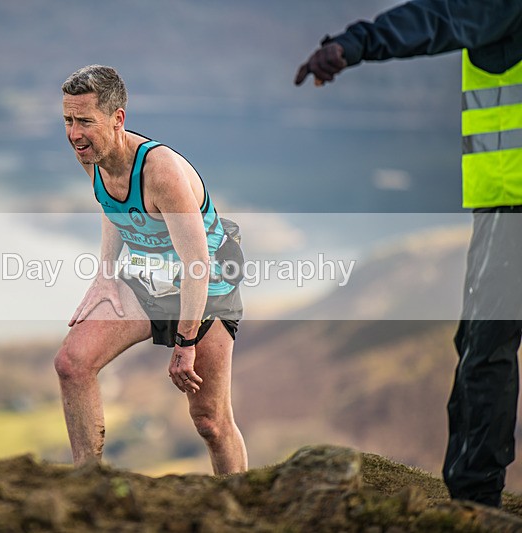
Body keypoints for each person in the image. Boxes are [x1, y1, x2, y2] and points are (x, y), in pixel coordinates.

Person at [295, 0, 522, 508]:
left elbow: (435, 19)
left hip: (513, 205)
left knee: (487, 350)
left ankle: (475, 500)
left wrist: (351, 45)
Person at [54, 65, 247, 474]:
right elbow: (112, 208)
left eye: (85, 121)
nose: (74, 134)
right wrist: (106, 273)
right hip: (149, 275)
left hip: (207, 284)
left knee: (210, 423)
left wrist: (185, 342)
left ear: (118, 118)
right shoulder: (93, 154)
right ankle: (88, 487)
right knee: (72, 363)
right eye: (69, 120)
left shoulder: (162, 172)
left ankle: (242, 508)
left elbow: (198, 264)